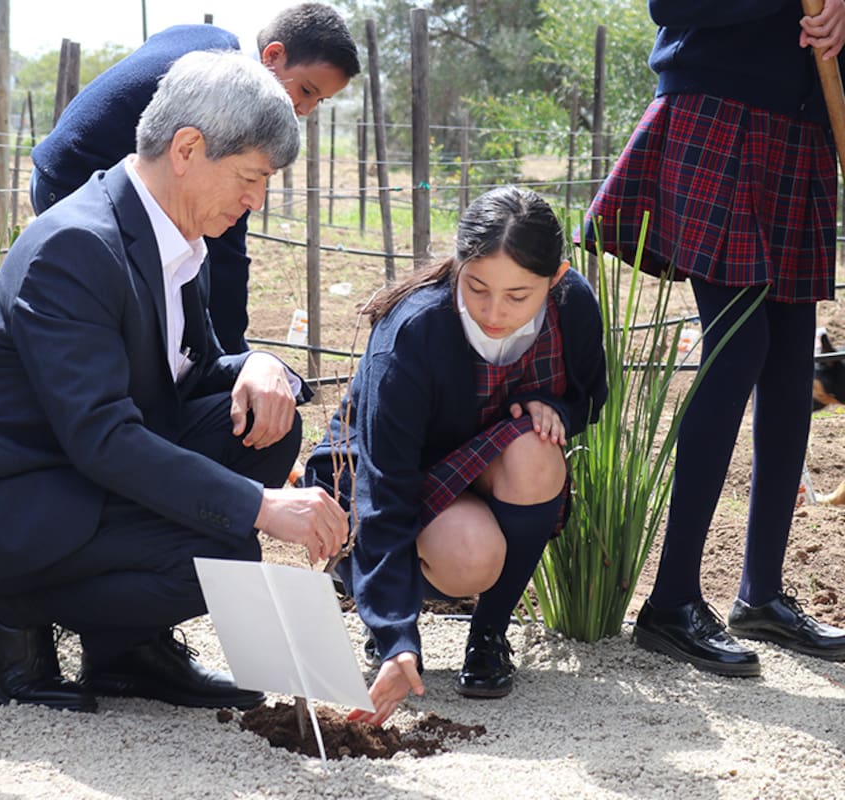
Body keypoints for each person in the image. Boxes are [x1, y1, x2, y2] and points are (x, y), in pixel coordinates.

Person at [0, 50, 349, 713]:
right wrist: (263, 506)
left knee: (263, 427)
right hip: (13, 494)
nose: (255, 199)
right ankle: (4, 611)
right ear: (187, 148)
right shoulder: (76, 247)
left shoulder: (177, 231)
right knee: (224, 548)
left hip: (80, 466)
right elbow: (103, 436)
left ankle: (123, 653)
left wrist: (259, 365)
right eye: (250, 177)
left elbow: (188, 379)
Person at [585, 2, 845, 675]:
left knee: (791, 365)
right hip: (719, 112)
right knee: (740, 345)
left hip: (805, 124)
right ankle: (671, 602)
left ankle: (760, 595)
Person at [303, 187, 607, 725]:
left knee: (539, 452)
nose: (494, 312)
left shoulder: (573, 303)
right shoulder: (414, 330)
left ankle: (489, 637)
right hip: (390, 473)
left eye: (519, 296)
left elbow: (588, 398)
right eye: (477, 287)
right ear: (459, 264)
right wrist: (397, 637)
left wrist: (553, 405)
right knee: (470, 558)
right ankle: (360, 574)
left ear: (555, 279)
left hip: (487, 461)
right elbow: (385, 486)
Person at [30, 2, 360, 354]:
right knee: (123, 323)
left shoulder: (210, 40)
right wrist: (237, 357)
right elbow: (226, 249)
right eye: (307, 91)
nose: (305, 110)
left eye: (319, 101)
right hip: (74, 186)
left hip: (54, 170)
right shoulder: (236, 98)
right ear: (273, 55)